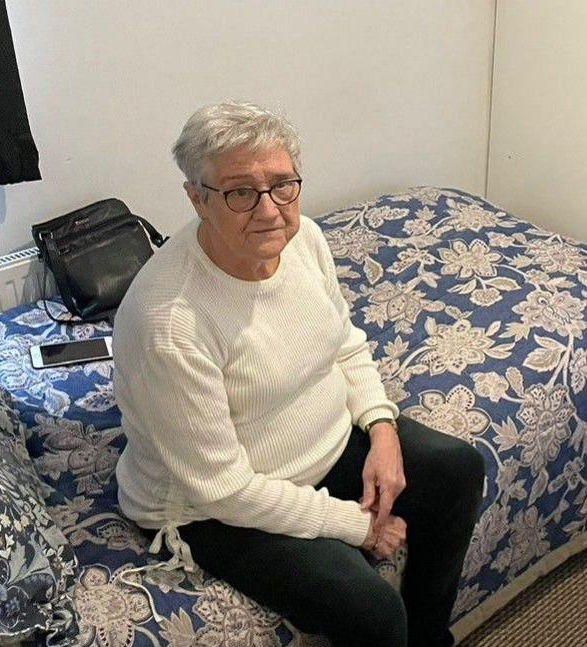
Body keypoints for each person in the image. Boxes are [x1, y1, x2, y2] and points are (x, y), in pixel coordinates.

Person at [113, 101, 484, 647]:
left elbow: (345, 345)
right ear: (196, 198)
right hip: (212, 507)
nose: (269, 210)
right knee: (371, 611)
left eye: (283, 185)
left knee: (457, 469)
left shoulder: (303, 239)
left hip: (320, 447)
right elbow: (223, 488)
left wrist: (382, 431)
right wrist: (358, 526)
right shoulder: (171, 321)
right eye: (240, 192)